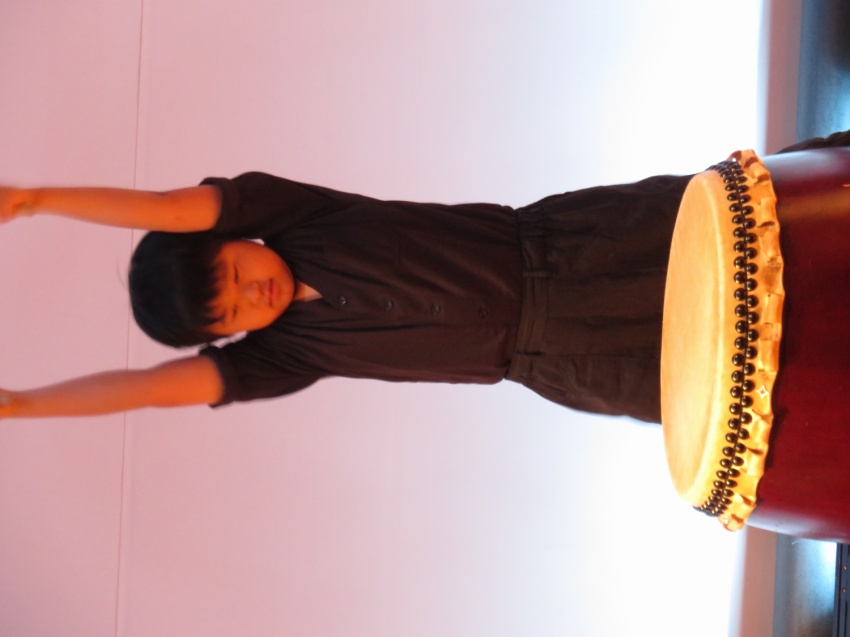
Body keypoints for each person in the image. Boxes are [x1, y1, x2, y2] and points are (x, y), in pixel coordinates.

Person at [2, 130, 849, 424]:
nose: (250, 294)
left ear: (234, 235)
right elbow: (150, 390)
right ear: (226, 337)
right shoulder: (284, 356)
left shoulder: (297, 215)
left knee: (779, 238)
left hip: (575, 246)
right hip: (567, 360)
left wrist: (37, 199)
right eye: (227, 312)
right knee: (770, 389)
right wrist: (25, 405)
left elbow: (164, 206)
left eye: (231, 269)